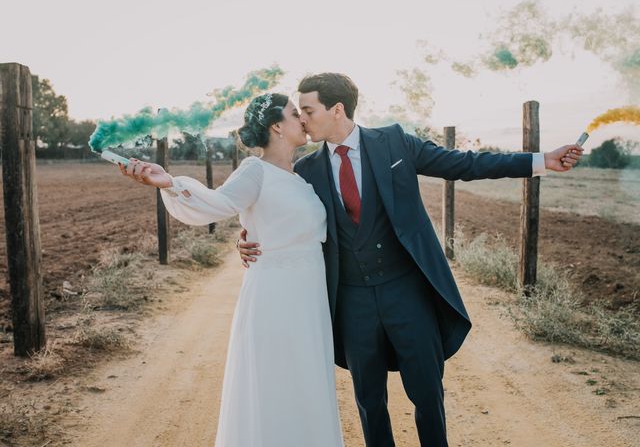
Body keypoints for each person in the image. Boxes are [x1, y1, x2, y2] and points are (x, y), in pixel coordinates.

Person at [238, 73, 584, 447]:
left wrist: (540, 160)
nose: (302, 120)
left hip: (407, 291)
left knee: (427, 394)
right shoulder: (305, 171)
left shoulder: (394, 142)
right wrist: (249, 239)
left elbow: (464, 164)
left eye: (307, 110)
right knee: (369, 401)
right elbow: (276, 212)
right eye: (299, 112)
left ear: (336, 109)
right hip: (351, 300)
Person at [118, 93, 344, 447]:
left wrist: (253, 232)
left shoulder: (300, 177)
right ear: (276, 126)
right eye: (294, 113)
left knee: (306, 380)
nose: (302, 119)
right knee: (275, 381)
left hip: (308, 295)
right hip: (275, 294)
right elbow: (220, 202)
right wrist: (170, 183)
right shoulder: (256, 169)